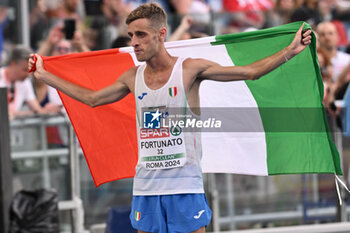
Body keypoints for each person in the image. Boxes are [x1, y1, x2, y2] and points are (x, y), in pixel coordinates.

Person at [29, 3, 311, 233]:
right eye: (131, 36)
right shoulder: (132, 76)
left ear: (161, 34)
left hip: (185, 186)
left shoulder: (189, 70)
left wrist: (290, 51)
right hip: (146, 188)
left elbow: (249, 72)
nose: (134, 42)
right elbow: (92, 99)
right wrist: (45, 76)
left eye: (141, 35)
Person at [0, 45, 47, 119]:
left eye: (30, 70)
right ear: (13, 64)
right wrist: (30, 113)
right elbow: (5, 114)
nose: (28, 74)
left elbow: (37, 110)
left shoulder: (25, 82)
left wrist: (49, 110)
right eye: (25, 70)